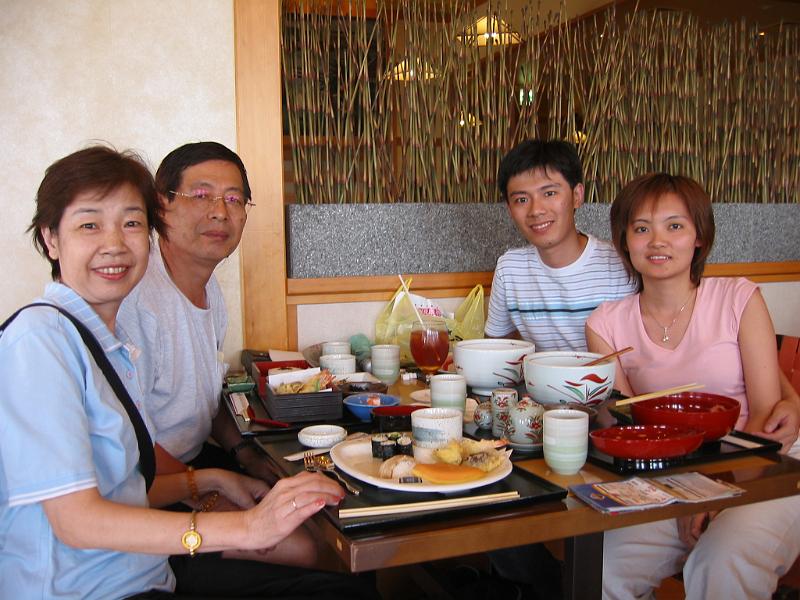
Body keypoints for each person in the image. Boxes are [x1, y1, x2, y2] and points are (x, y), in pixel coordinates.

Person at [0, 145, 378, 599]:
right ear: (50, 239)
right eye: (89, 225)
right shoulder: (39, 340)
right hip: (93, 588)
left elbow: (128, 483)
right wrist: (245, 526)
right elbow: (76, 520)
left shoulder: (107, 342)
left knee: (344, 539)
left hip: (145, 568)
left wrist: (217, 476)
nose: (114, 243)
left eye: (131, 223)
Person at [586, 173, 800, 599]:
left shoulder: (739, 298)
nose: (657, 241)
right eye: (641, 228)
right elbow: (631, 431)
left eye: (675, 226)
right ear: (624, 241)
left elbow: (765, 412)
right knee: (601, 569)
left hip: (769, 461)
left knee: (721, 559)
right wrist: (688, 491)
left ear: (698, 237)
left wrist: (713, 495)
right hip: (669, 476)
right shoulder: (605, 323)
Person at [117, 142, 319, 567]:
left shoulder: (209, 288)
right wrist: (211, 492)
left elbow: (205, 401)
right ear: (161, 204)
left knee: (313, 504)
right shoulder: (135, 298)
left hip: (194, 460)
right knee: (303, 546)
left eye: (234, 199)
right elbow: (131, 445)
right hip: (145, 486)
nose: (220, 212)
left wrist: (245, 455)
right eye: (201, 195)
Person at [485, 139, 637, 351]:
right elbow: (496, 348)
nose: (536, 210)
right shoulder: (510, 269)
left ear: (577, 196)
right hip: (540, 374)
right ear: (509, 210)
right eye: (521, 200)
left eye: (549, 193)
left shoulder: (621, 264)